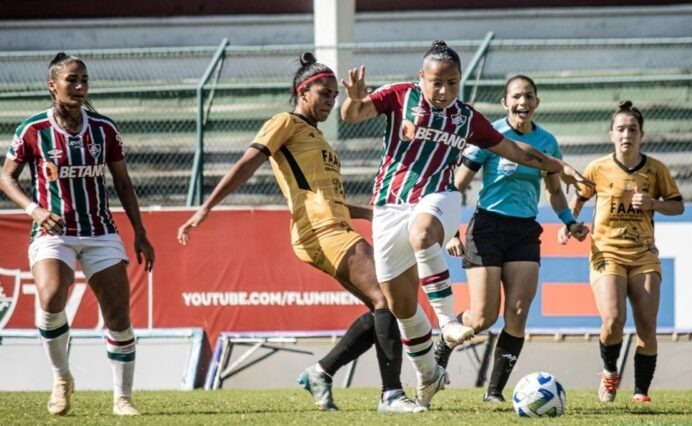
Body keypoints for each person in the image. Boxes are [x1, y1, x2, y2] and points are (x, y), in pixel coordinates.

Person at [340, 40, 593, 408]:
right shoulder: (399, 97)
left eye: (453, 83)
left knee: (424, 233)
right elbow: (352, 114)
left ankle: (447, 322)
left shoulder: (466, 118)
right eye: (437, 82)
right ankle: (427, 378)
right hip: (389, 207)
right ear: (421, 78)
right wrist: (353, 98)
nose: (444, 92)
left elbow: (514, 150)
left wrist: (561, 168)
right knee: (403, 310)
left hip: (438, 196)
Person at [177, 52, 423, 413]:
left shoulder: (318, 139)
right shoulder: (284, 123)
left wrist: (367, 213)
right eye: (324, 93)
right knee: (387, 297)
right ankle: (391, 395)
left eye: (334, 96)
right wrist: (206, 207)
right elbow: (248, 163)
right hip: (318, 232)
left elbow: (324, 196)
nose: (330, 101)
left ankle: (322, 372)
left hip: (336, 225)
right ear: (302, 91)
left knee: (383, 305)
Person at [0, 53, 155, 416]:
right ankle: (61, 378)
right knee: (52, 296)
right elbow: (6, 177)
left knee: (118, 314)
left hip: (99, 230)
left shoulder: (104, 129)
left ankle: (122, 398)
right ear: (52, 85)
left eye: (84, 79)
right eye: (72, 80)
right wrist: (34, 209)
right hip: (52, 231)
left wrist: (141, 234)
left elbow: (123, 183)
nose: (81, 86)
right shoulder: (32, 130)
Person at [441, 75, 590, 403]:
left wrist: (570, 221)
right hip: (488, 228)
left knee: (519, 312)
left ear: (536, 102)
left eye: (528, 97)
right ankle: (442, 346)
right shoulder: (490, 137)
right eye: (516, 97)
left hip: (524, 230)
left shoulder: (548, 143)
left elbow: (554, 191)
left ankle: (494, 392)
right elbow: (457, 185)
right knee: (483, 317)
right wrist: (452, 231)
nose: (523, 103)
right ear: (505, 103)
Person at [559, 100, 684, 403]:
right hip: (607, 252)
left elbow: (678, 205)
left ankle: (641, 392)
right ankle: (609, 371)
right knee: (613, 319)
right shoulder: (598, 168)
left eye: (632, 129)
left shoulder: (656, 170)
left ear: (641, 134)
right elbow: (580, 196)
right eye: (620, 129)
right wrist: (571, 224)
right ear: (611, 134)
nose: (626, 134)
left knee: (647, 325)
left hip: (643, 254)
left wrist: (654, 204)